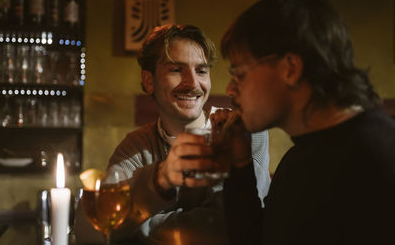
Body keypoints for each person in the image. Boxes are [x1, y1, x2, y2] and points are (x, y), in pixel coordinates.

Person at [211, 0, 395, 245]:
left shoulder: (378, 159)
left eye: (240, 74)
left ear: (291, 69)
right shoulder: (301, 157)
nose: (231, 90)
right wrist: (240, 164)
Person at [76, 24, 271, 245]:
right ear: (149, 81)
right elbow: (89, 230)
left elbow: (228, 230)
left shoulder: (241, 132)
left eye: (201, 70)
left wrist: (137, 230)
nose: (193, 83)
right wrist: (159, 179)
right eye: (176, 70)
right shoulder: (137, 146)